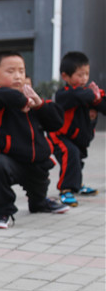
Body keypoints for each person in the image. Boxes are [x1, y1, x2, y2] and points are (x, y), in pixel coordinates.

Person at [0, 50, 69, 229]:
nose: (18, 76)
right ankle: (1, 212)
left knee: (38, 197)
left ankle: (39, 202)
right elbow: (0, 95)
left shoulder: (32, 100)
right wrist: (23, 101)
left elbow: (56, 122)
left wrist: (39, 105)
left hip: (36, 164)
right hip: (9, 161)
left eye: (21, 71)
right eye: (11, 71)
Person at [49, 51, 105, 206]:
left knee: (77, 160)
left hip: (78, 138)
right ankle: (66, 190)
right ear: (65, 76)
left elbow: (102, 103)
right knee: (71, 155)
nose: (84, 78)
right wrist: (94, 96)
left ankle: (77, 185)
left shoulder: (88, 93)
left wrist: (98, 99)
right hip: (60, 136)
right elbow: (80, 96)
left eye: (86, 74)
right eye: (80, 75)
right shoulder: (64, 94)